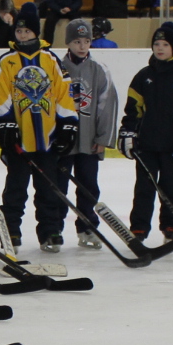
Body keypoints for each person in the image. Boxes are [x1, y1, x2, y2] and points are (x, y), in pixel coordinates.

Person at [0, 3, 77, 252]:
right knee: (15, 190)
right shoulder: (7, 61)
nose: (23, 35)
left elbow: (63, 92)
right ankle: (11, 232)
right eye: (19, 31)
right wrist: (5, 123)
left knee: (49, 189)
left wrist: (68, 124)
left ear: (36, 32)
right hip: (19, 140)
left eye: (27, 31)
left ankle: (50, 232)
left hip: (47, 140)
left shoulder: (51, 59)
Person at [119, 20, 173, 242]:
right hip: (146, 145)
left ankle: (170, 227)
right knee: (144, 189)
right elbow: (132, 109)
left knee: (172, 189)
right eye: (157, 44)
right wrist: (127, 132)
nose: (160, 48)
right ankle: (139, 229)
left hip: (172, 146)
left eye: (165, 44)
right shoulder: (143, 76)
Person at [58, 19, 118, 248]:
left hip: (89, 142)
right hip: (63, 143)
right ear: (68, 42)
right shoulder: (57, 68)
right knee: (58, 188)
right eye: (77, 41)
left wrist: (102, 139)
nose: (82, 46)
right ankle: (54, 229)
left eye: (86, 41)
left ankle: (87, 229)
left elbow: (106, 105)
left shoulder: (99, 70)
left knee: (88, 187)